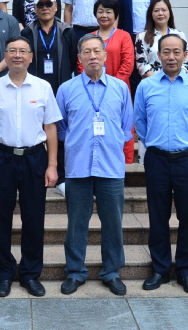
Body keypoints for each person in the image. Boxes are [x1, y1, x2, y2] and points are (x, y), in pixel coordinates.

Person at [0, 36, 61, 298]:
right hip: (1, 158)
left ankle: (30, 274)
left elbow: (51, 128)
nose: (17, 55)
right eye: (12, 51)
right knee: (0, 218)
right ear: (5, 56)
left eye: (22, 51)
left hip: (34, 158)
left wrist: (52, 165)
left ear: (30, 57)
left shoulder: (43, 87)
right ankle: (3, 273)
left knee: (34, 218)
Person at [55, 34, 134, 297]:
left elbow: (126, 126)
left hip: (110, 166)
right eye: (86, 52)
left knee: (113, 223)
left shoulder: (120, 88)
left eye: (97, 51)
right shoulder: (66, 89)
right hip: (78, 166)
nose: (92, 56)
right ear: (79, 58)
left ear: (105, 55)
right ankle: (75, 272)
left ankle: (111, 272)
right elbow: (61, 128)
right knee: (76, 224)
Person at [134, 34, 188, 296]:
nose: (171, 57)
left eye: (177, 52)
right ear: (159, 55)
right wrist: (155, 143)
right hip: (157, 159)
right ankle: (160, 269)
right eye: (166, 52)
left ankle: (185, 270)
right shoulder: (146, 86)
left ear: (185, 55)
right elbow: (140, 122)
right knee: (158, 216)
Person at [20, 0, 77, 197]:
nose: (45, 8)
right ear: (35, 9)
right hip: (35, 91)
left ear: (56, 7)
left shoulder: (67, 31)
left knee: (59, 134)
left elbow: (73, 60)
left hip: (60, 89)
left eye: (48, 4)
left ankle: (60, 177)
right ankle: (37, 173)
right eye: (40, 5)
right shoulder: (28, 33)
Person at [76, 0, 135, 163]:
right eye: (100, 11)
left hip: (118, 89)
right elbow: (81, 64)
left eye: (108, 12)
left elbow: (128, 63)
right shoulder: (89, 37)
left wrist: (112, 85)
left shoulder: (123, 36)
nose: (104, 15)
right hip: (91, 90)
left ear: (115, 15)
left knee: (122, 125)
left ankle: (125, 163)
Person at [118, 0, 170, 95]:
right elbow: (120, 18)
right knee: (134, 74)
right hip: (131, 38)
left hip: (154, 36)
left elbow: (165, 13)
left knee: (154, 69)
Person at [134, 0, 188, 78]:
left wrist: (174, 79)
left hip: (177, 81)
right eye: (156, 11)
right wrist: (158, 81)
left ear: (169, 13)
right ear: (151, 14)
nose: (160, 13)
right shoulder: (142, 36)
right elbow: (142, 65)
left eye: (164, 10)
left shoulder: (180, 35)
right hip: (152, 82)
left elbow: (185, 62)